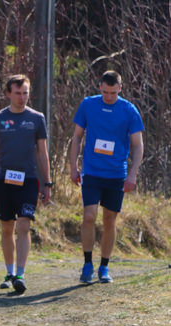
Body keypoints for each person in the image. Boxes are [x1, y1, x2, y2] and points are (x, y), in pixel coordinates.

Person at [0, 74, 52, 294]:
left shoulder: (37, 118)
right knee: (7, 226)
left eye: (25, 93)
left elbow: (42, 153)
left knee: (24, 224)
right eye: (18, 93)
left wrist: (47, 183)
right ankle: (9, 272)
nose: (22, 97)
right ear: (8, 93)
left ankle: (20, 274)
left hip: (28, 180)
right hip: (3, 180)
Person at [69, 70, 144, 284]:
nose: (108, 96)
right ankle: (87, 264)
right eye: (105, 92)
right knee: (89, 216)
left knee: (110, 220)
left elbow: (138, 145)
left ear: (120, 89)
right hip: (92, 171)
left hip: (116, 174)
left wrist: (133, 174)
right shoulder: (88, 104)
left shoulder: (129, 110)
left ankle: (104, 266)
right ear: (99, 87)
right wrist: (73, 167)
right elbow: (76, 138)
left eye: (112, 92)